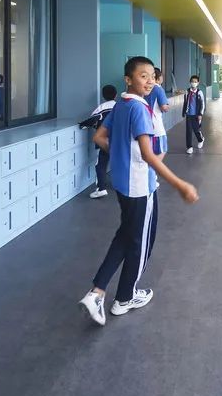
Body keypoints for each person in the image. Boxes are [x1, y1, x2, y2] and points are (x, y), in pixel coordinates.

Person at [78, 56, 199, 326]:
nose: (149, 81)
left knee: (126, 235)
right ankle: (124, 298)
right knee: (141, 243)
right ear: (128, 79)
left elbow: (99, 137)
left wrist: (121, 156)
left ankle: (97, 292)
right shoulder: (139, 109)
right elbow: (148, 154)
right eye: (143, 76)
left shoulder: (121, 104)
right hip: (140, 187)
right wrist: (180, 184)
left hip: (123, 184)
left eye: (152, 76)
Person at [79, 84, 118, 199]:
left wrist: (83, 125)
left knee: (101, 164)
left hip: (105, 140)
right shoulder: (120, 106)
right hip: (120, 140)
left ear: (103, 96)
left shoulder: (102, 107)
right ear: (116, 95)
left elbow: (93, 119)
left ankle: (101, 189)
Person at [146, 67, 170, 158]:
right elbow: (164, 107)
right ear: (158, 77)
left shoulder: (145, 88)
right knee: (160, 151)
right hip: (156, 127)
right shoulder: (158, 89)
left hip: (144, 125)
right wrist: (168, 106)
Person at [182, 75, 206, 154]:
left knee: (196, 130)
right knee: (188, 131)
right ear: (190, 82)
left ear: (198, 83)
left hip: (196, 115)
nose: (194, 83)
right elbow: (185, 102)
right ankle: (189, 147)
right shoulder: (187, 91)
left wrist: (200, 114)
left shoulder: (199, 92)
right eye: (192, 81)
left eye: (195, 82)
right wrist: (184, 112)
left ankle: (200, 139)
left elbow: (202, 104)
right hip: (189, 114)